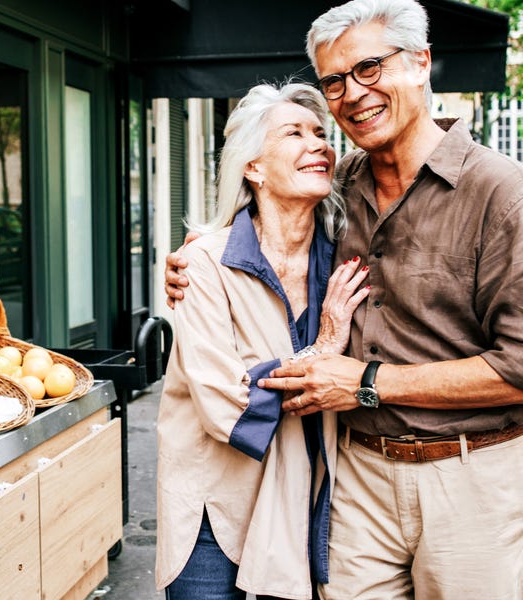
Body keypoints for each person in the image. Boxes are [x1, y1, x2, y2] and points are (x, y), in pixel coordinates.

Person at [165, 1, 523, 598]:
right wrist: (200, 250)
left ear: (421, 63)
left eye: (369, 68)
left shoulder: (501, 193)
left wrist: (365, 381)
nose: (352, 93)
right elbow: (265, 220)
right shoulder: (340, 190)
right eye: (334, 80)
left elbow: (519, 368)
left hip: (470, 480)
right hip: (354, 478)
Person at [156, 81, 370, 600]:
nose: (317, 142)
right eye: (294, 133)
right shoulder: (205, 262)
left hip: (303, 494)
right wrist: (323, 352)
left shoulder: (343, 261)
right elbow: (222, 400)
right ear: (253, 166)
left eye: (320, 133)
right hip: (212, 500)